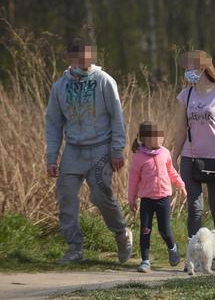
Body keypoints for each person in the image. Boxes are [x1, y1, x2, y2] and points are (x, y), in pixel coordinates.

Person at [45, 38, 133, 263]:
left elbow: (117, 116)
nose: (85, 61)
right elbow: (54, 123)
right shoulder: (60, 87)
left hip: (100, 148)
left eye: (88, 56)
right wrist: (52, 157)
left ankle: (122, 234)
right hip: (73, 150)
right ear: (70, 58)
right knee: (66, 197)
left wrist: (116, 150)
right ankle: (75, 247)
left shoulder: (104, 81)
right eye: (80, 56)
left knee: (101, 196)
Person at [172, 50, 215, 238]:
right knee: (195, 208)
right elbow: (181, 129)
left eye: (190, 67)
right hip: (190, 158)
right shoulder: (186, 94)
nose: (187, 72)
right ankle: (194, 253)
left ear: (202, 68)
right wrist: (174, 155)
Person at [128, 121, 186, 273]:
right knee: (145, 230)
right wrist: (131, 198)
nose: (159, 139)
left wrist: (181, 185)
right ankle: (145, 261)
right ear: (144, 139)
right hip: (147, 200)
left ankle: (172, 247)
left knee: (164, 230)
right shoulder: (138, 157)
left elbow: (172, 171)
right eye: (155, 136)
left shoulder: (165, 153)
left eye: (161, 136)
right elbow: (133, 180)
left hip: (163, 199)